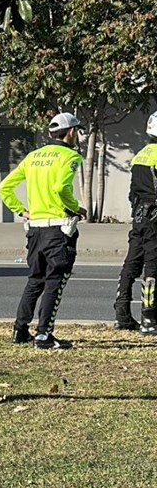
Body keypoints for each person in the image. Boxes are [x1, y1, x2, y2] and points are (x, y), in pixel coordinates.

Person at [0, 112, 87, 349]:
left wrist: (21, 210)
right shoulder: (70, 156)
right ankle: (44, 335)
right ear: (70, 132)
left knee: (35, 280)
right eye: (76, 131)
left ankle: (20, 330)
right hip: (59, 229)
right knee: (54, 282)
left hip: (35, 229)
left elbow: (5, 187)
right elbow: (60, 188)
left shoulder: (33, 157)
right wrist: (76, 208)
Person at [112, 112, 157, 333]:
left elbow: (133, 192)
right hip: (155, 217)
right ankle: (149, 319)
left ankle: (122, 314)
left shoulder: (141, 154)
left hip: (140, 215)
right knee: (153, 266)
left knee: (132, 263)